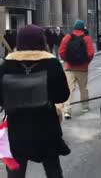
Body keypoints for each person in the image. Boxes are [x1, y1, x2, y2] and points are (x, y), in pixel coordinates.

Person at [0, 25, 70, 178]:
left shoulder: (7, 65)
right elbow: (62, 96)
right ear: (42, 40)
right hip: (46, 125)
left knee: (16, 170)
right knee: (53, 170)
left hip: (17, 128)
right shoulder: (52, 63)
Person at [59, 20, 95, 119]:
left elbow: (61, 51)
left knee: (69, 89)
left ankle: (67, 111)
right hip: (82, 69)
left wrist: (67, 60)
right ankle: (85, 107)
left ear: (74, 28)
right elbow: (91, 53)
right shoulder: (87, 38)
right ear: (83, 28)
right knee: (83, 88)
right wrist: (85, 62)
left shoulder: (67, 37)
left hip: (69, 68)